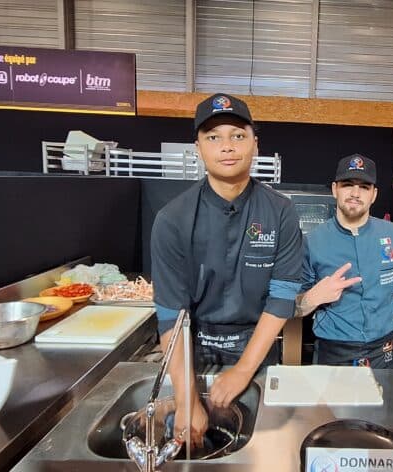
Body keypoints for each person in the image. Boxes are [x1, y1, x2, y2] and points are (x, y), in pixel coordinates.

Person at [150, 93, 304, 444]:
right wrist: (187, 399)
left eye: (238, 135)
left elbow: (282, 298)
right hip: (194, 350)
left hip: (258, 349)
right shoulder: (172, 219)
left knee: (260, 446)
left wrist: (244, 370)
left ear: (255, 144)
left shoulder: (280, 212)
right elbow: (171, 315)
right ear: (198, 148)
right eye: (213, 137)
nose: (227, 146)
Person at [297, 154, 393, 369]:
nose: (355, 193)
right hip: (334, 351)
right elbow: (291, 306)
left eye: (364, 187)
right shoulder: (312, 242)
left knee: (390, 394)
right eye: (348, 185)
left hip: (385, 349)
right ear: (335, 189)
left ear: (374, 194)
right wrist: (313, 297)